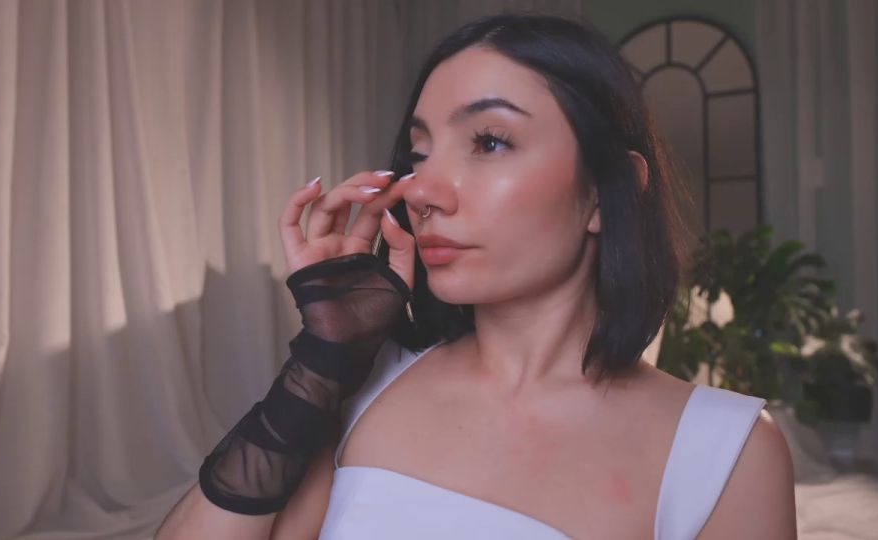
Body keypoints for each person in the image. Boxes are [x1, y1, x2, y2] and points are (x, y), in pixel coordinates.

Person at [156, 12, 796, 540]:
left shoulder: (726, 454)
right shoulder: (367, 386)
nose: (422, 189)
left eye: (490, 141)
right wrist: (322, 361)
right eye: (419, 153)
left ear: (608, 191)